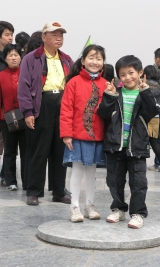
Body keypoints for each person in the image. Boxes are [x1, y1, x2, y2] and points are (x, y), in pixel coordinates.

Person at [97, 55, 160, 229]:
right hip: (116, 145)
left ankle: (138, 213)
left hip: (137, 146)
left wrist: (146, 92)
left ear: (140, 73)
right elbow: (103, 113)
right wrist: (109, 95)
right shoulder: (116, 95)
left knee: (138, 182)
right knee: (114, 180)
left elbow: (152, 112)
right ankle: (118, 209)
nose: (127, 77)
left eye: (131, 73)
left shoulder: (145, 94)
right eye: (122, 74)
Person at [18, 21, 73, 205]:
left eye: (61, 35)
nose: (59, 38)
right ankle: (34, 191)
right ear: (44, 37)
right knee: (38, 150)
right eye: (54, 35)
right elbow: (24, 87)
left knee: (60, 150)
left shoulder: (66, 59)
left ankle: (58, 191)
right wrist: (28, 112)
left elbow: (72, 84)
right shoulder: (31, 58)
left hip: (62, 105)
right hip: (42, 105)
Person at [60, 44, 107, 222]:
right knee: (77, 171)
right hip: (77, 136)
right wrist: (66, 134)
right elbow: (66, 110)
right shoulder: (73, 83)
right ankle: (75, 206)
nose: (95, 62)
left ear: (103, 62)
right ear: (83, 60)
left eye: (99, 58)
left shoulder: (105, 84)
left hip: (97, 137)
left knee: (92, 173)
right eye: (91, 57)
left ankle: (89, 204)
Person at [0, 44, 26, 190]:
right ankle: (10, 180)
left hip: (25, 117)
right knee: (9, 150)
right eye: (10, 55)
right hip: (6, 119)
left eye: (16, 55)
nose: (13, 58)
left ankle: (27, 180)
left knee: (26, 150)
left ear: (21, 57)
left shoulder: (26, 74)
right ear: (5, 58)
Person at [0, 21, 14, 185]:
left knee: (8, 145)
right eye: (7, 34)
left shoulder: (14, 56)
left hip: (7, 111)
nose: (10, 37)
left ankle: (5, 175)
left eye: (11, 34)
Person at [143, 65, 160, 172]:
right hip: (156, 116)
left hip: (144, 115)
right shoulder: (159, 86)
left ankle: (140, 162)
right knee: (154, 140)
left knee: (141, 138)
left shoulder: (143, 84)